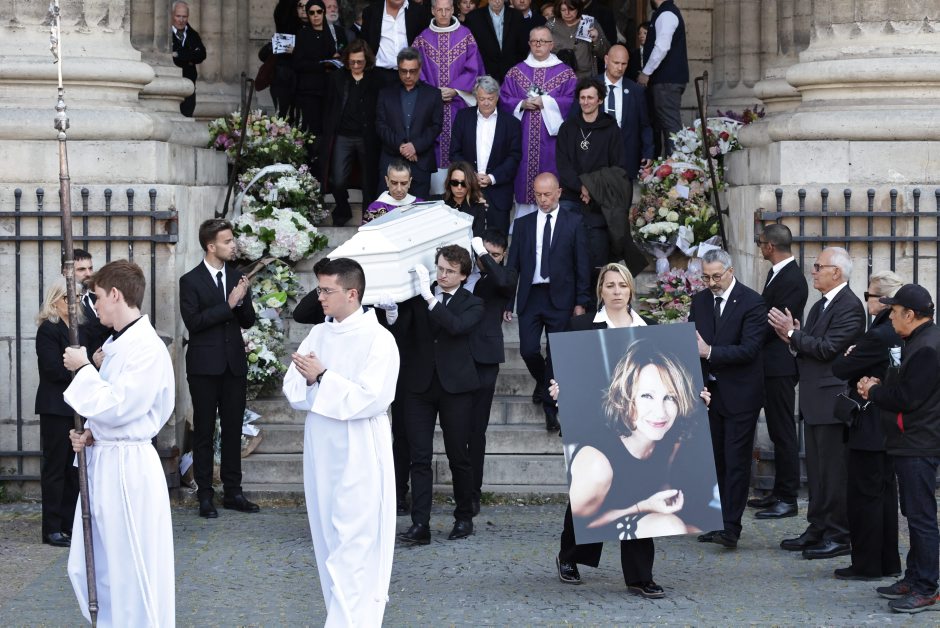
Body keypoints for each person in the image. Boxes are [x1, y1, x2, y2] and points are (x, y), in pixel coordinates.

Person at [552, 285, 710, 598]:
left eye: (623, 284)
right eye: (610, 285)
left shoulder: (649, 327)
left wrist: (698, 398)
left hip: (648, 430)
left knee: (644, 488)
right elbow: (560, 366)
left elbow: (672, 382)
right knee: (586, 499)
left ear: (631, 290)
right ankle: (570, 556)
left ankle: (640, 577)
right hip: (602, 424)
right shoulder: (582, 325)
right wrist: (558, 389)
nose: (617, 291)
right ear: (600, 290)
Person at [282, 257, 400, 626]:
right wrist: (314, 382)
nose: (319, 297)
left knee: (356, 540)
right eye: (319, 289)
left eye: (326, 290)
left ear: (352, 294)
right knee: (328, 538)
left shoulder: (379, 339)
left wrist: (323, 378)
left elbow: (372, 398)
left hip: (360, 446)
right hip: (321, 443)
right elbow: (292, 387)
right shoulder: (318, 334)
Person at [63, 260, 175, 627]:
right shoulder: (118, 343)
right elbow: (112, 413)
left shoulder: (146, 347)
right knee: (100, 563)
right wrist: (92, 433)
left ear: (115, 294)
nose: (94, 305)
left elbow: (121, 406)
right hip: (108, 459)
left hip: (129, 469)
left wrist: (84, 370)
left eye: (97, 296)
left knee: (128, 564)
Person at [769, 246, 865, 559]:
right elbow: (811, 346)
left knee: (833, 473)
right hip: (814, 399)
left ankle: (838, 534)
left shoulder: (849, 306)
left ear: (836, 272)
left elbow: (827, 348)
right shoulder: (820, 304)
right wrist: (794, 338)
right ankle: (818, 527)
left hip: (832, 400)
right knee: (817, 472)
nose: (813, 271)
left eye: (818, 266)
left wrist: (793, 335)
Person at [389, 245, 484, 545]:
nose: (442, 275)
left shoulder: (473, 303)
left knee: (459, 455)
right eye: (440, 268)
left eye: (450, 271)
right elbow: (400, 333)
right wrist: (392, 313)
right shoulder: (419, 296)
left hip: (456, 388)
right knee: (419, 457)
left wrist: (430, 300)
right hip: (418, 385)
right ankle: (420, 524)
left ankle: (464, 516)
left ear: (464, 275)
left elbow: (456, 327)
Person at [858, 284, 940, 614]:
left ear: (910, 314)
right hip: (912, 440)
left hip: (918, 441)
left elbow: (908, 398)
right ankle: (915, 576)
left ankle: (927, 587)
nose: (889, 317)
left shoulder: (927, 346)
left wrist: (873, 391)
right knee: (914, 512)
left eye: (893, 312)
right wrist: (880, 385)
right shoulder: (919, 340)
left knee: (920, 517)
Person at [179, 219, 259, 519]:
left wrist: (242, 300)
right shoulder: (190, 281)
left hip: (233, 365)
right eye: (227, 241)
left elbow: (248, 321)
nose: (233, 244)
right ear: (211, 246)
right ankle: (205, 494)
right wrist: (229, 304)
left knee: (233, 429)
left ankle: (233, 491)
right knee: (204, 431)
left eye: (232, 239)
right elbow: (194, 323)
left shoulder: (237, 276)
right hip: (203, 367)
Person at [689, 249, 766, 550]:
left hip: (741, 395)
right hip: (710, 395)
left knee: (736, 461)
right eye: (706, 277)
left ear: (731, 271)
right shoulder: (700, 301)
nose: (711, 283)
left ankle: (731, 527)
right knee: (715, 461)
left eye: (716, 276)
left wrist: (710, 352)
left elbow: (750, 349)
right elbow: (691, 342)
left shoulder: (752, 302)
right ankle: (717, 520)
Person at [830, 271, 903, 581]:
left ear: (883, 300)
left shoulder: (878, 335)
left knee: (864, 498)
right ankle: (888, 561)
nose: (866, 302)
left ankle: (867, 564)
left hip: (870, 424)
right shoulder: (898, 332)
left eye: (868, 296)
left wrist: (851, 352)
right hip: (890, 425)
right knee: (885, 496)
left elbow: (840, 367)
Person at [504, 172, 591, 431]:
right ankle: (544, 383)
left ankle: (550, 409)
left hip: (561, 297)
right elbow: (513, 266)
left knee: (557, 355)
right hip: (531, 296)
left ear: (559, 193)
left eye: (547, 194)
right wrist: (508, 302)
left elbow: (582, 265)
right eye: (538, 195)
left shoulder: (574, 222)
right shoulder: (523, 224)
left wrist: (581, 302)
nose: (542, 200)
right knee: (528, 350)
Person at [749, 224, 808, 519]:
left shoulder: (792, 278)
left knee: (783, 431)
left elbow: (775, 323)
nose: (760, 247)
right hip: (770, 365)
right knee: (776, 429)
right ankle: (778, 492)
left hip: (780, 366)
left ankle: (788, 497)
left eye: (760, 243)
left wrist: (746, 339)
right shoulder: (778, 273)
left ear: (770, 246)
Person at [499, 26, 577, 220]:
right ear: (529, 44)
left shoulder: (566, 73)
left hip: (551, 141)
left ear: (551, 44)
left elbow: (572, 101)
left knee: (550, 177)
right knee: (523, 178)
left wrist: (546, 103)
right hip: (523, 138)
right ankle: (523, 224)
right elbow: (504, 99)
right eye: (534, 41)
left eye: (543, 41)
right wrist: (522, 104)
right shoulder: (516, 72)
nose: (538, 45)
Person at [466, 231, 518, 516]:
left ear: (503, 256)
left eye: (495, 255)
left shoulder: (504, 275)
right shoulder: (462, 271)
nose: (487, 259)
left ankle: (473, 493)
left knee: (476, 430)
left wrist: (485, 256)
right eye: (484, 253)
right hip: (455, 357)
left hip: (485, 358)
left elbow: (504, 283)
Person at [35, 278, 84, 548]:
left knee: (73, 469)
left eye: (77, 296)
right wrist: (84, 367)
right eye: (69, 297)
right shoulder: (48, 329)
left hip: (77, 406)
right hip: (55, 407)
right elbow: (52, 369)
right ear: (55, 301)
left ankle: (68, 524)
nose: (74, 302)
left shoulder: (80, 328)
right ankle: (51, 529)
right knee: (55, 468)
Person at [412, 0, 485, 175]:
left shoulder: (466, 35)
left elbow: (474, 68)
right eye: (439, 10)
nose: (444, 14)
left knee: (461, 143)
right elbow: (415, 70)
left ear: (453, 9)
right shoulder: (422, 39)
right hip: (431, 106)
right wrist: (433, 93)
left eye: (447, 9)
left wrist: (455, 90)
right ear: (432, 11)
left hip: (459, 102)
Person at [449, 75, 523, 234]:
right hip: (467, 190)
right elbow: (454, 152)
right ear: (476, 97)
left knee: (497, 242)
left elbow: (514, 157)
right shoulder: (463, 118)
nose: (486, 103)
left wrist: (492, 178)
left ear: (497, 97)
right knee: (465, 239)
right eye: (482, 99)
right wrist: (470, 176)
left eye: (490, 98)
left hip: (499, 192)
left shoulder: (512, 123)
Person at [321, 39, 381, 226]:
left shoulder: (376, 79)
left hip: (367, 136)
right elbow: (328, 107)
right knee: (337, 180)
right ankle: (343, 209)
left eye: (359, 62)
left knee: (369, 181)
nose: (355, 65)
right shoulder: (337, 78)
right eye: (352, 62)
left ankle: (368, 220)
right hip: (342, 135)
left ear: (367, 60)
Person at [375, 47, 443, 199]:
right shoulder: (385, 93)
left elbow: (436, 126)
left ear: (420, 68)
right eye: (403, 71)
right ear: (398, 69)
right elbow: (380, 125)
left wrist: (415, 146)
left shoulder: (433, 94)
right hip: (391, 160)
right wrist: (401, 146)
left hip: (420, 161)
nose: (407, 75)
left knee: (418, 209)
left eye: (412, 71)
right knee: (386, 208)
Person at [637, 0, 689, 157]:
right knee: (667, 126)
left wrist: (646, 72)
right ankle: (672, 164)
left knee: (671, 126)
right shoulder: (664, 12)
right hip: (667, 81)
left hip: (667, 81)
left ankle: (678, 166)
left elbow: (662, 47)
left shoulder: (666, 13)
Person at [292, 0, 339, 136]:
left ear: (323, 12)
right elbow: (297, 63)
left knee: (327, 128)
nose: (316, 15)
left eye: (319, 11)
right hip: (309, 90)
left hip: (328, 89)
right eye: (311, 13)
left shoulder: (330, 33)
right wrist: (321, 65)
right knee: (310, 130)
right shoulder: (303, 34)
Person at [360, 0, 431, 87]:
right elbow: (364, 43)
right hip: (379, 74)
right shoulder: (371, 12)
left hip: (411, 74)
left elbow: (425, 43)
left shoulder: (419, 11)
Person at [465, 0, 528, 82]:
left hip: (512, 71)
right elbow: (471, 49)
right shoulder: (474, 17)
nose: (497, 1)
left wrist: (518, 68)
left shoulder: (516, 15)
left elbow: (522, 46)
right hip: (484, 73)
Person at [547, 0, 610, 78]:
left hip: (585, 78)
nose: (567, 13)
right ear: (559, 10)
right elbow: (540, 46)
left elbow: (606, 53)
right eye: (563, 10)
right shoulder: (552, 23)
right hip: (557, 76)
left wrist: (596, 39)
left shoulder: (588, 22)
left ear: (578, 8)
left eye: (571, 9)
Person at [68, 249, 111, 358]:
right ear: (65, 272)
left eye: (90, 268)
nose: (88, 274)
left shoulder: (98, 298)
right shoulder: (63, 305)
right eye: (81, 269)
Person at [270, 0, 307, 118]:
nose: (304, 9)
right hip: (285, 71)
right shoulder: (286, 15)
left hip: (298, 74)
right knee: (284, 115)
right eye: (300, 6)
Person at [171, 1, 207, 118]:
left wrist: (178, 54)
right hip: (171, 84)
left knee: (187, 115)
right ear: (172, 15)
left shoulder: (193, 34)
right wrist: (190, 57)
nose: (181, 20)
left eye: (184, 16)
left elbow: (201, 54)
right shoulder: (165, 35)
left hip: (189, 84)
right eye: (178, 16)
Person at [442, 161, 487, 236]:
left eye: (464, 183)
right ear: (449, 182)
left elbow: (477, 237)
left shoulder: (478, 206)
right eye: (455, 182)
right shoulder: (439, 203)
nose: (459, 187)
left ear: (470, 183)